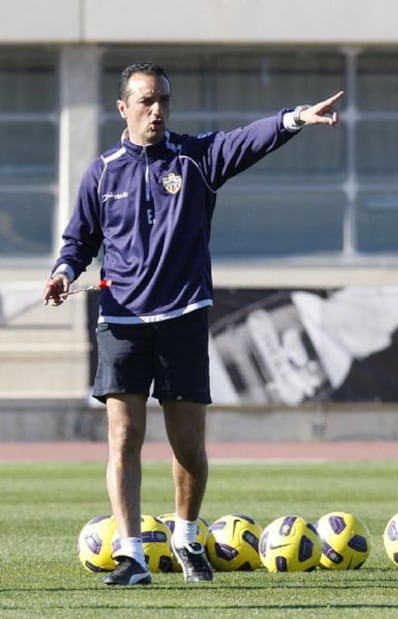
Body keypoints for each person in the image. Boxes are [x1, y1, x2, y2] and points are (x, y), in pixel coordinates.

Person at [43, 62, 343, 586]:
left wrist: (294, 118)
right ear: (123, 108)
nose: (156, 110)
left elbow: (247, 141)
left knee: (188, 446)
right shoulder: (102, 171)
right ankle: (133, 554)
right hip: (123, 321)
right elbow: (79, 241)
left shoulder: (195, 158)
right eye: (145, 101)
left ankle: (185, 537)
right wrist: (64, 271)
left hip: (182, 316)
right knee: (124, 438)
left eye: (163, 100)